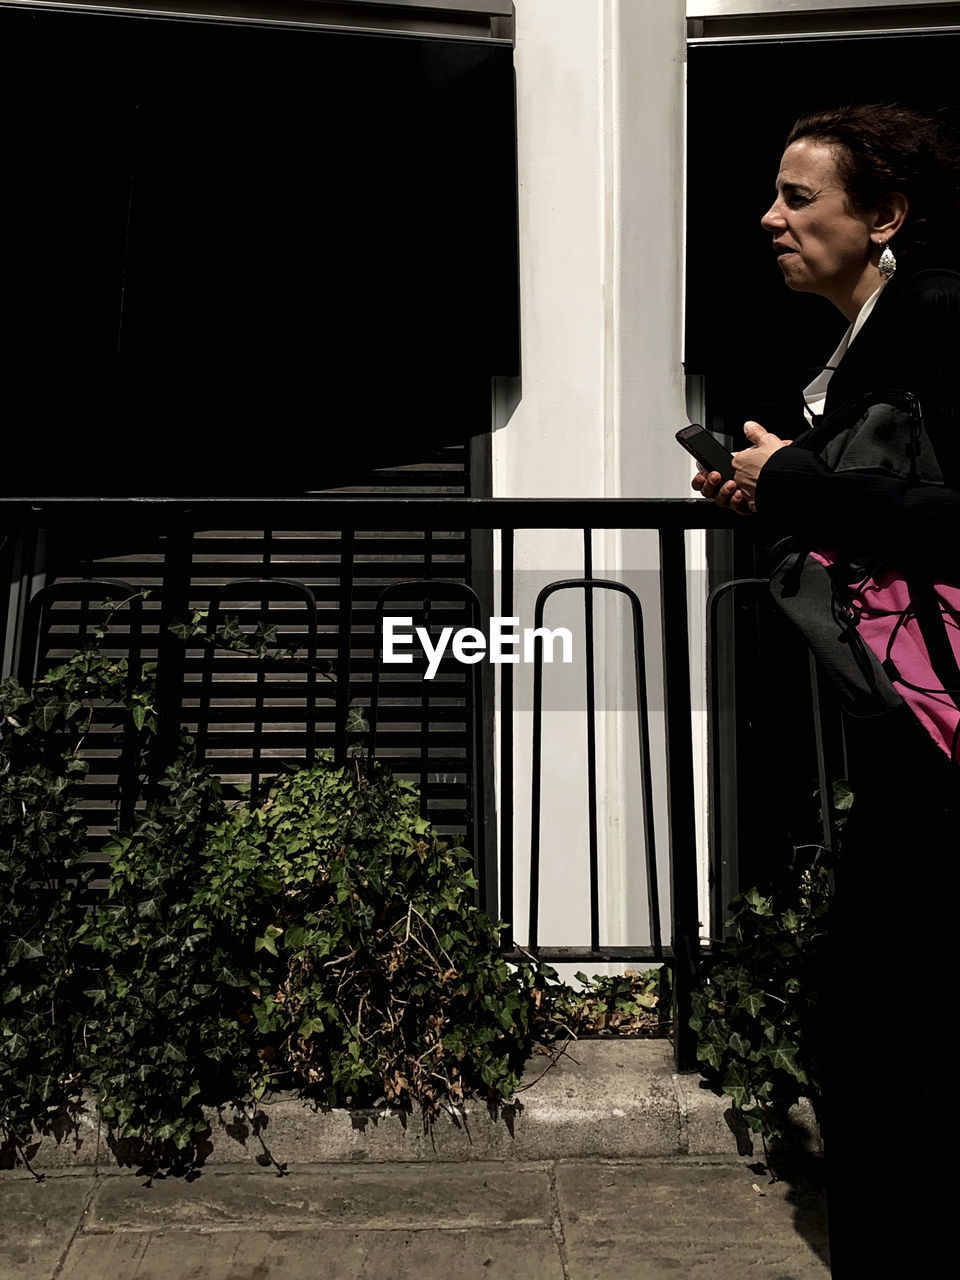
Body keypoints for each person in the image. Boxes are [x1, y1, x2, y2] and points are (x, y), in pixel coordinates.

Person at [693, 104, 960, 1277]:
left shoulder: (943, 323)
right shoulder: (862, 348)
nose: (772, 217)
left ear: (884, 215)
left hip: (945, 730)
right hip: (910, 727)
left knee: (870, 1018)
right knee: (873, 1013)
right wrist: (781, 495)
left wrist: (802, 476)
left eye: (801, 196)